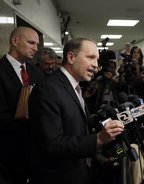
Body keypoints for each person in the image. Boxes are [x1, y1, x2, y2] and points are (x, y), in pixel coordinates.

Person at [28, 38, 124, 184]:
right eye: (90, 57)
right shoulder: (47, 89)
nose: (96, 65)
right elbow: (52, 144)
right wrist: (97, 139)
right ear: (71, 57)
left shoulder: (75, 86)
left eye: (97, 59)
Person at [0, 26, 43, 184]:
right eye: (31, 43)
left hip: (35, 148)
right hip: (8, 151)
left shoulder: (36, 72)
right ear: (15, 41)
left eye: (37, 44)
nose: (36, 48)